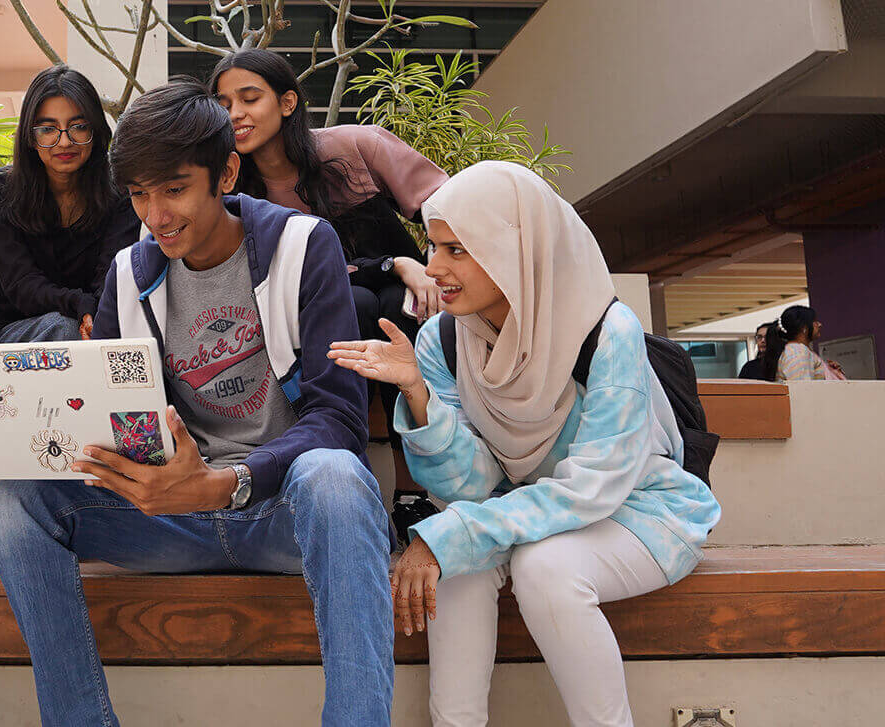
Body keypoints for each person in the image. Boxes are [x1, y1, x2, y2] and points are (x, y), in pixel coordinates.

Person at [0, 80, 394, 727]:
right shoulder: (129, 272)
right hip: (169, 512)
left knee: (337, 477)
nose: (156, 214)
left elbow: (338, 420)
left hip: (282, 509)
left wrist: (227, 482)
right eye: (140, 194)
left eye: (173, 189)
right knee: (14, 504)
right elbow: (123, 417)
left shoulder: (303, 246)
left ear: (226, 172)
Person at [327, 161, 720, 727]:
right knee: (457, 563)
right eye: (434, 247)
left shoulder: (607, 331)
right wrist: (418, 394)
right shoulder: (444, 339)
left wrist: (452, 533)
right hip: (522, 511)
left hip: (634, 509)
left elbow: (595, 486)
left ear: (515, 249)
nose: (434, 268)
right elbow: (472, 486)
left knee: (544, 568)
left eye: (457, 250)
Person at [210, 48, 450, 539]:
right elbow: (316, 279)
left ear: (289, 102)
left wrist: (435, 264)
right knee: (362, 309)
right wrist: (395, 263)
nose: (235, 113)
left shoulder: (353, 148)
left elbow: (448, 203)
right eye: (223, 102)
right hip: (329, 306)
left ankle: (411, 494)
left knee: (396, 310)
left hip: (405, 297)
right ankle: (351, 487)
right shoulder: (240, 194)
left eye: (250, 98)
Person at [0, 65, 140, 344]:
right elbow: (21, 284)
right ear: (30, 136)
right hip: (6, 330)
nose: (64, 141)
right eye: (48, 129)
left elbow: (111, 279)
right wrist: (80, 305)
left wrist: (92, 312)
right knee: (62, 328)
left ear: (96, 130)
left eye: (79, 126)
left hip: (91, 327)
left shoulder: (123, 194)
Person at [762, 305, 841, 382]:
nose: (819, 324)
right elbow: (802, 390)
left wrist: (829, 370)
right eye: (815, 321)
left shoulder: (796, 350)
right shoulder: (797, 352)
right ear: (804, 328)